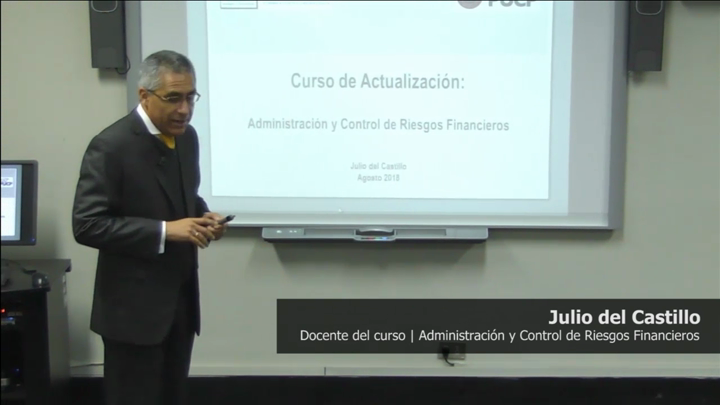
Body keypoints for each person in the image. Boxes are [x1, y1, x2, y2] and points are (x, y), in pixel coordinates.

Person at [72, 50, 227, 405]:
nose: (184, 109)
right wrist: (165, 231)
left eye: (190, 97)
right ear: (144, 95)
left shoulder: (186, 138)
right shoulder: (111, 146)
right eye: (173, 98)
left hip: (179, 305)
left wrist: (204, 217)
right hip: (131, 314)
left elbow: (184, 197)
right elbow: (87, 224)